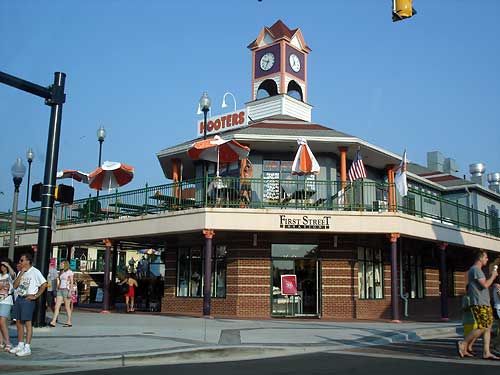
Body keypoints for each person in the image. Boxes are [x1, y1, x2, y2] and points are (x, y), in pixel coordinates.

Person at [457, 250, 499, 360]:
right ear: (480, 258)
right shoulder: (476, 270)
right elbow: (485, 285)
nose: (487, 259)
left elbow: (483, 285)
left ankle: (486, 352)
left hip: (484, 302)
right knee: (483, 326)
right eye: (486, 257)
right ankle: (463, 343)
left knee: (487, 328)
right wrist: (493, 276)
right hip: (480, 303)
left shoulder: (477, 270)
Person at [9, 253, 47, 357]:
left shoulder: (35, 272)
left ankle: (27, 347)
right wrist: (21, 273)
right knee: (18, 322)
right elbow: (15, 286)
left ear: (28, 261)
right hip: (19, 298)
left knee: (27, 323)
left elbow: (44, 284)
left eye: (22, 260)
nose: (20, 262)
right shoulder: (21, 272)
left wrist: (36, 296)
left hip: (28, 299)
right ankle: (20, 344)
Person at [49, 260, 74, 327]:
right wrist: (57, 289)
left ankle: (69, 321)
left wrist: (70, 291)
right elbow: (59, 281)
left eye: (62, 264)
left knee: (67, 306)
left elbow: (72, 282)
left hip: (66, 289)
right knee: (57, 306)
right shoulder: (61, 272)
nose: (61, 265)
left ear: (65, 264)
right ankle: (53, 321)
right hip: (60, 290)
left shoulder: (70, 272)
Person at [0, 258, 15, 352]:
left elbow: (13, 275)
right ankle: (1, 342)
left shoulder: (10, 275)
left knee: (2, 321)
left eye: (4, 265)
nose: (3, 267)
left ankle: (8, 342)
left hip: (6, 300)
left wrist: (8, 265)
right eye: (1, 265)